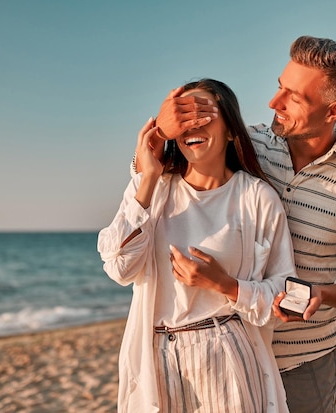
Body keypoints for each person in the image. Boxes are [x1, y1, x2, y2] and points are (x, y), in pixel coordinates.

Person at [146, 36, 336, 413]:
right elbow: (157, 172)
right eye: (280, 86)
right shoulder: (249, 143)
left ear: (334, 110)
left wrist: (323, 294)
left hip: (302, 360)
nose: (273, 103)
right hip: (230, 353)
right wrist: (163, 131)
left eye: (294, 97)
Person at [98, 79, 296, 412]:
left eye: (204, 113)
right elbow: (119, 267)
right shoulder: (155, 191)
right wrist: (146, 175)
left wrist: (225, 285)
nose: (193, 123)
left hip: (226, 353)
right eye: (183, 115)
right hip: (156, 361)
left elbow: (284, 291)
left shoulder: (256, 197)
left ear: (232, 130)